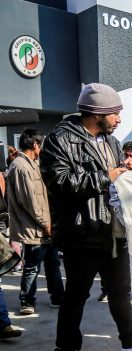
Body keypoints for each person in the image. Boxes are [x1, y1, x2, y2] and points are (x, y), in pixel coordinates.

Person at [39, 83, 132, 351]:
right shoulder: (59, 140)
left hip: (114, 231)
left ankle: (130, 344)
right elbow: (61, 184)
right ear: (97, 112)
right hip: (82, 234)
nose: (119, 119)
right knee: (76, 298)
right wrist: (107, 176)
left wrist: (126, 169)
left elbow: (117, 180)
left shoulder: (112, 142)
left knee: (121, 294)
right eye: (115, 113)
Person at [6, 128, 64, 315]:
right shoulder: (21, 166)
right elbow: (29, 201)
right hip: (34, 228)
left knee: (53, 263)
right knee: (32, 267)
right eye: (42, 144)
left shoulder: (34, 163)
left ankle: (57, 297)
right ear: (35, 145)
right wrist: (44, 223)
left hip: (46, 225)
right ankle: (27, 301)